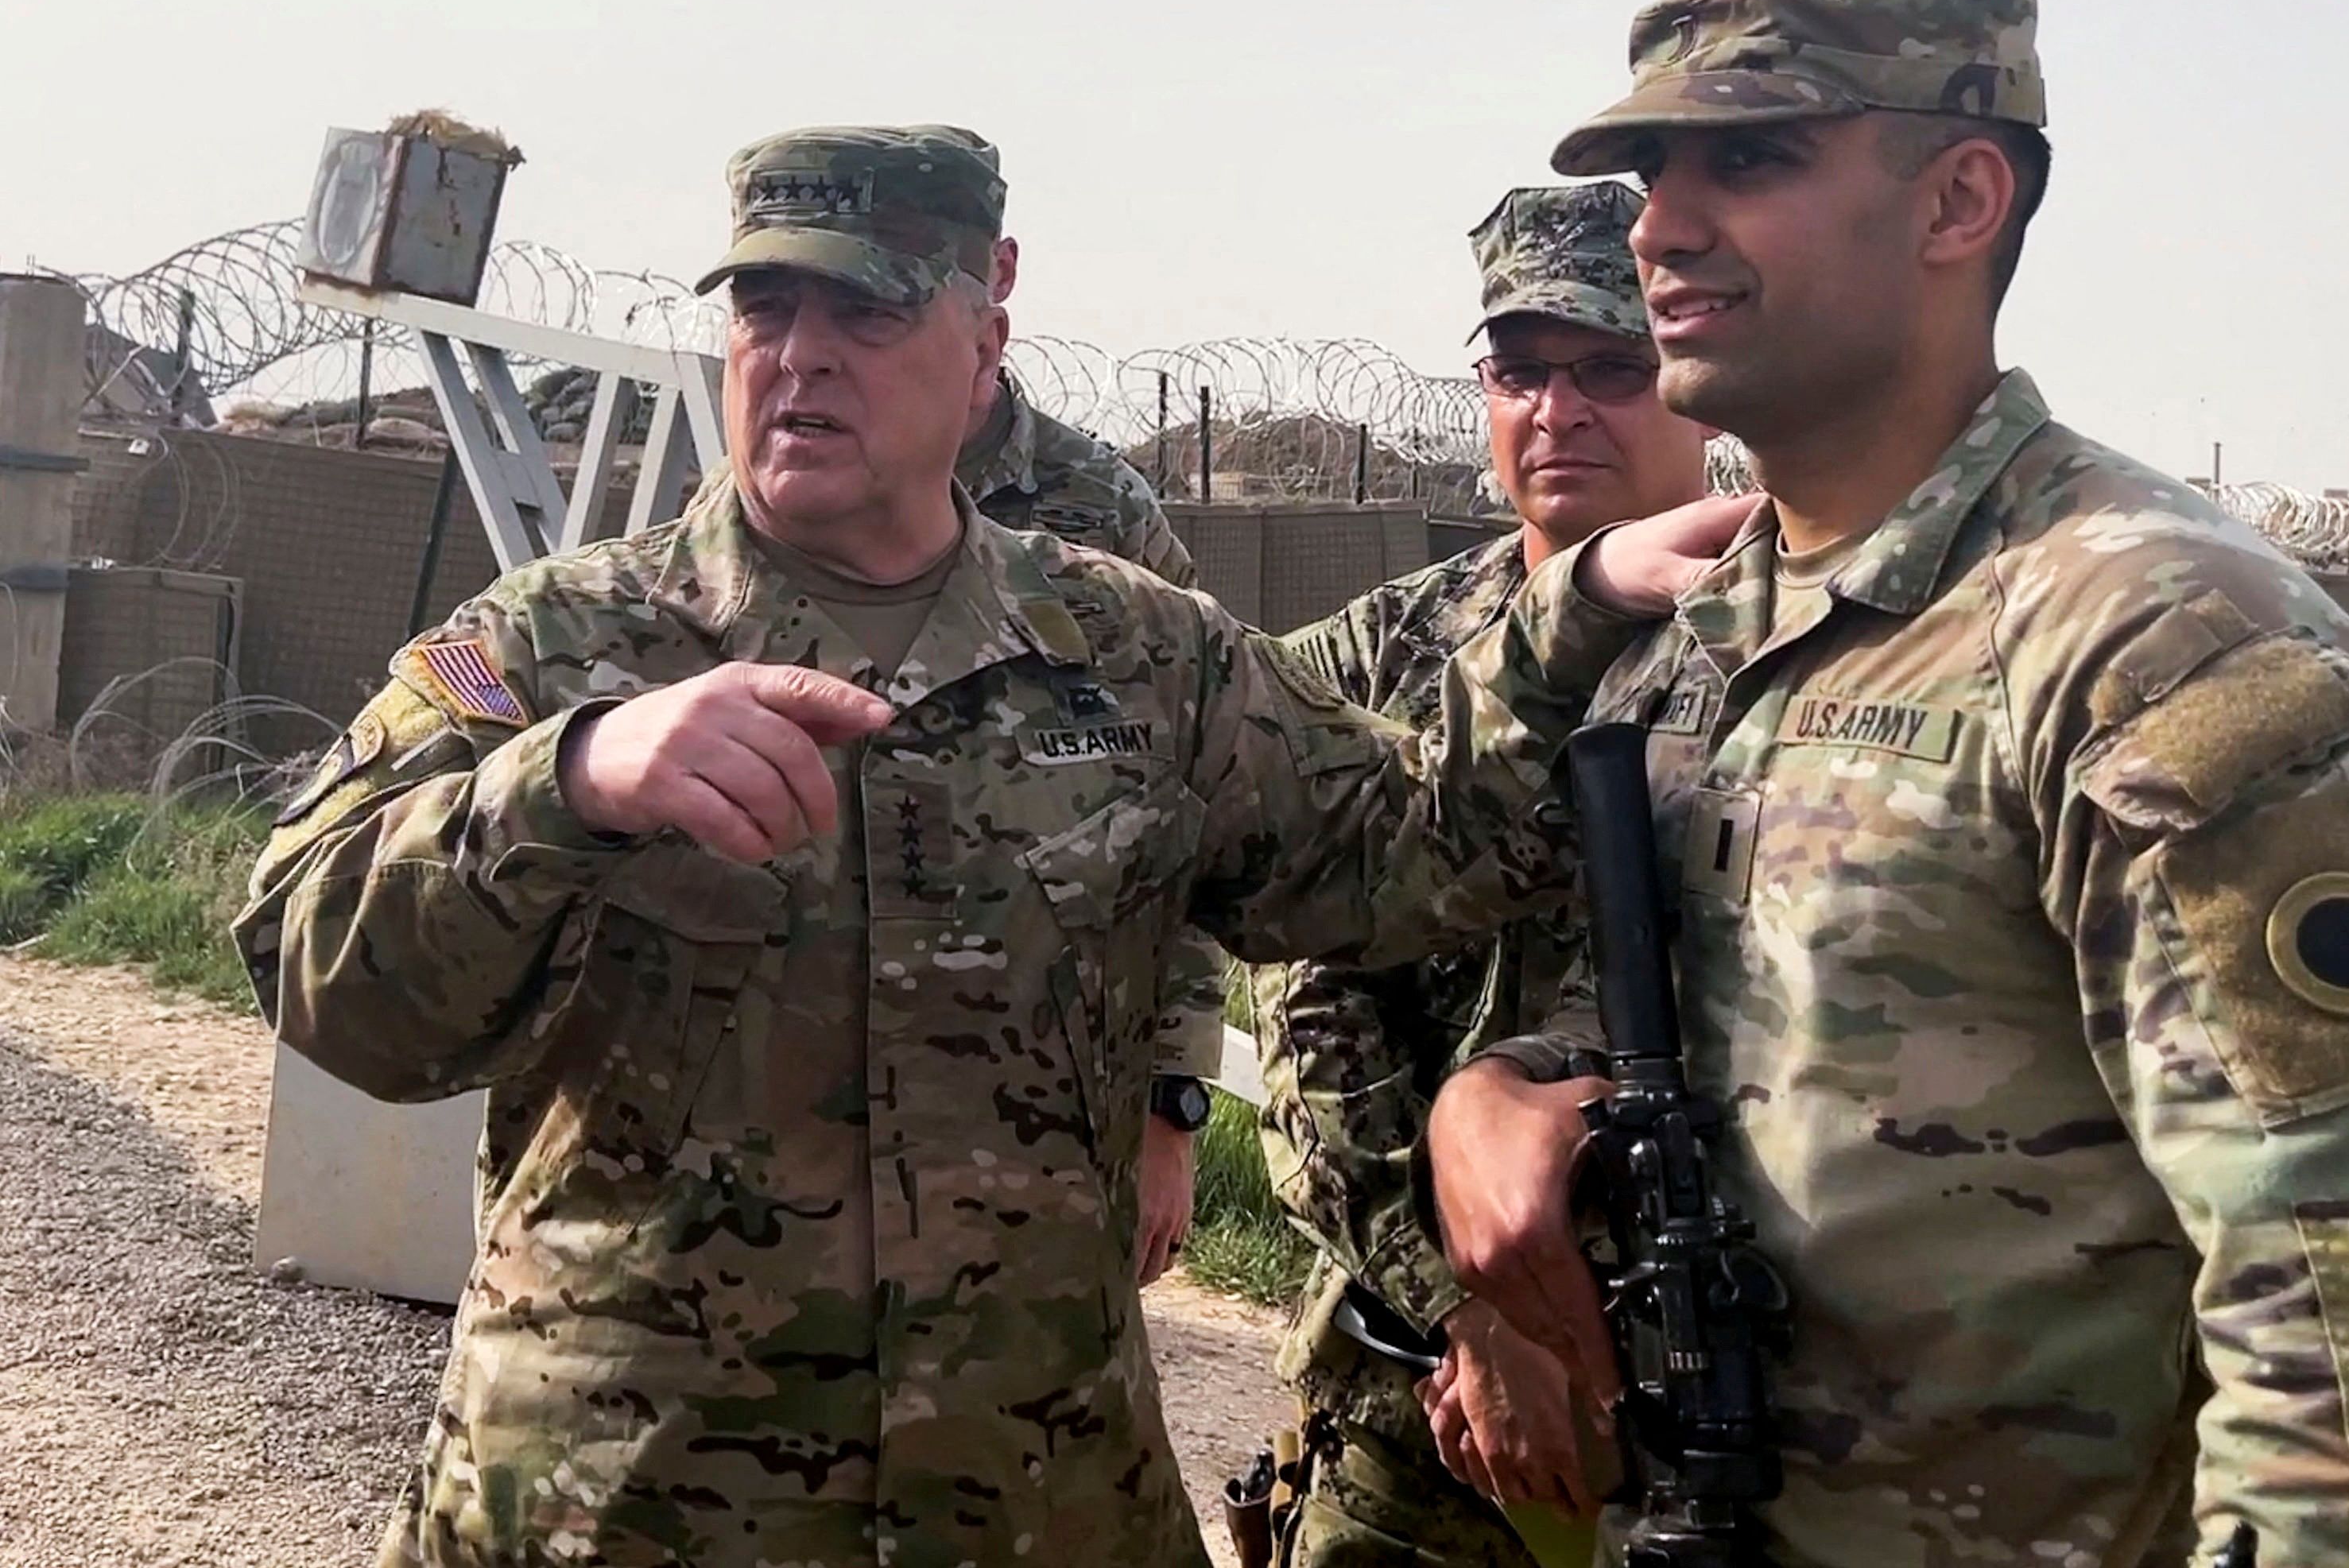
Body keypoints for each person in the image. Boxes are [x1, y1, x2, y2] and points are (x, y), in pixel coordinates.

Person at [235, 122, 1747, 1568]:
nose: (802, 352)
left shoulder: (1138, 652)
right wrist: (561, 784)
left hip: (1033, 1498)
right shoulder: (551, 645)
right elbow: (325, 983)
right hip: (625, 1500)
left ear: (983, 345)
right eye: (766, 303)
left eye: (868, 308)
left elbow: (1400, 860)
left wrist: (1574, 610)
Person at [1421, 0, 2349, 1566]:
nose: (1657, 229)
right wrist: (1490, 1095)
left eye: (1751, 159)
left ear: (1958, 199)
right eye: (1652, 179)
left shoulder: (2153, 639)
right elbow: (1759, 1025)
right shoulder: (1717, 628)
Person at [1250, 181, 1709, 1566]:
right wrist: (1475, 1314)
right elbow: (1306, 1003)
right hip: (1417, 1411)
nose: (1557, 411)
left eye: (1610, 371)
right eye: (1519, 372)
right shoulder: (1377, 656)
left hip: (1721, 1389)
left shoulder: (1799, 654)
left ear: (1694, 385)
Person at [956, 220, 1219, 1287]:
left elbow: (1188, 801)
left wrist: (1172, 1105)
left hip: (1053, 1088)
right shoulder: (785, 502)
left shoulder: (1100, 513)